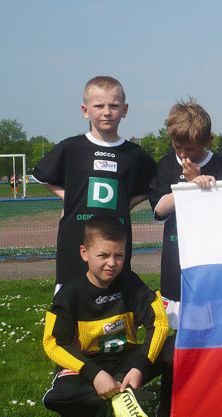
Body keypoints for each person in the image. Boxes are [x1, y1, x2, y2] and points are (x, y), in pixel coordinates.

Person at [42, 215, 174, 417]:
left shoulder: (131, 283)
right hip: (88, 365)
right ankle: (102, 413)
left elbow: (159, 322)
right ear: (84, 253)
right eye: (103, 255)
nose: (112, 263)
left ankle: (166, 411)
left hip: (126, 362)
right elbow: (53, 343)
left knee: (177, 346)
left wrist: (140, 365)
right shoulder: (69, 294)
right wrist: (94, 374)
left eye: (119, 255)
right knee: (59, 398)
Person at [33, 76, 156, 292]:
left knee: (114, 303)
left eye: (114, 106)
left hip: (114, 243)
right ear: (85, 110)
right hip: (75, 241)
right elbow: (42, 175)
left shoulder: (134, 154)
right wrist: (70, 198)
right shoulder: (71, 148)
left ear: (125, 110)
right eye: (99, 106)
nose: (106, 112)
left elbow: (153, 186)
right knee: (70, 302)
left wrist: (126, 203)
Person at [148, 100, 222, 330]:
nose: (183, 154)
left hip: (211, 258)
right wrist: (191, 186)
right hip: (175, 259)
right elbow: (159, 209)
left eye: (191, 149)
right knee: (174, 329)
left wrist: (204, 189)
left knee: (212, 326)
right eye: (178, 147)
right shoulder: (166, 165)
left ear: (207, 141)